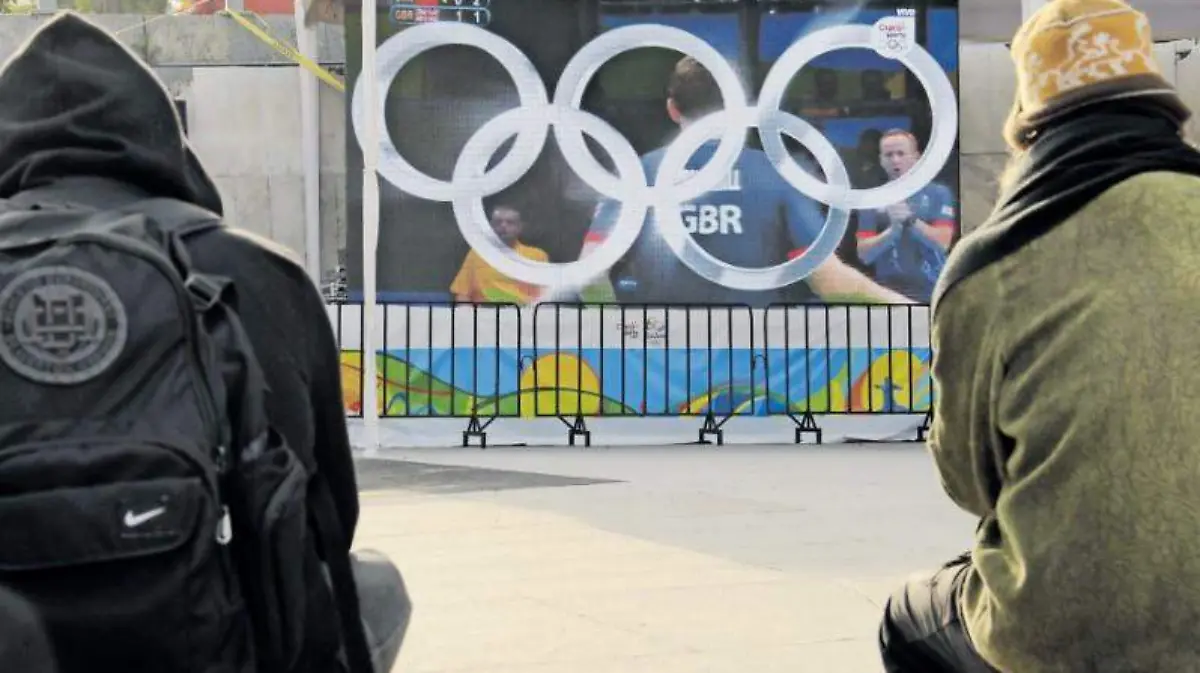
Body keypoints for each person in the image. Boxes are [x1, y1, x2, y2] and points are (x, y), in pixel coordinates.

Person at [0, 13, 409, 673]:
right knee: (378, 585)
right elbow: (331, 507)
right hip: (220, 649)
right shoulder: (256, 269)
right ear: (162, 139)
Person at [879, 0, 1200, 671]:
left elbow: (969, 483)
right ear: (1163, 107)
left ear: (1028, 128)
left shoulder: (991, 264)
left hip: (1062, 632)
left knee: (908, 618)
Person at [580, 56, 911, 307]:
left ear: (672, 108)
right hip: (753, 364)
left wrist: (622, 332)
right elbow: (831, 282)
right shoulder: (774, 172)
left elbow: (589, 277)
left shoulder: (638, 175)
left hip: (658, 362)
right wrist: (910, 310)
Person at [855, 129, 956, 303]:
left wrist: (910, 220)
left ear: (916, 157)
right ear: (881, 160)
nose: (895, 160)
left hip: (931, 291)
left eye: (901, 153)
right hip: (888, 293)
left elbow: (943, 243)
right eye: (889, 155)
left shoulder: (938, 193)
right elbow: (864, 254)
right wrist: (892, 232)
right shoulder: (872, 198)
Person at [450, 204, 548, 303]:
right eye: (498, 222)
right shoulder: (478, 253)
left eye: (510, 222)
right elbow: (462, 294)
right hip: (484, 311)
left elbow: (546, 295)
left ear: (520, 227)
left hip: (524, 311)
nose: (503, 226)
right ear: (491, 226)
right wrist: (467, 312)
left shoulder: (537, 256)